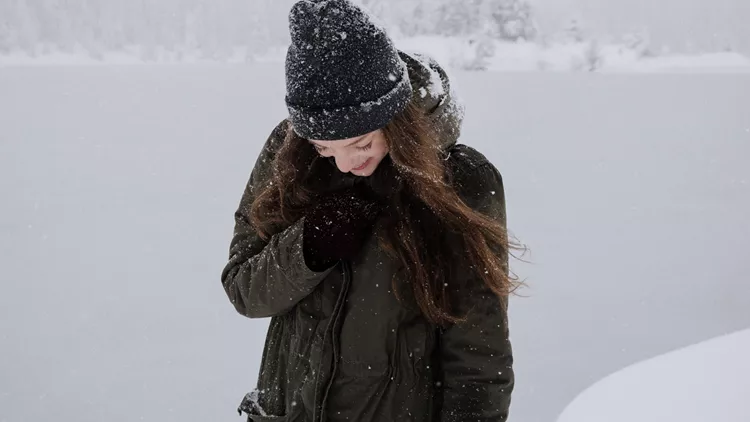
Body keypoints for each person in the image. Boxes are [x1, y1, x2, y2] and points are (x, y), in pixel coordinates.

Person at [221, 1, 520, 421]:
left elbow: (478, 359)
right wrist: (307, 248)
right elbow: (244, 291)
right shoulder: (290, 153)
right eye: (326, 148)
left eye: (361, 143)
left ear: (396, 120)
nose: (345, 163)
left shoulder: (461, 181)